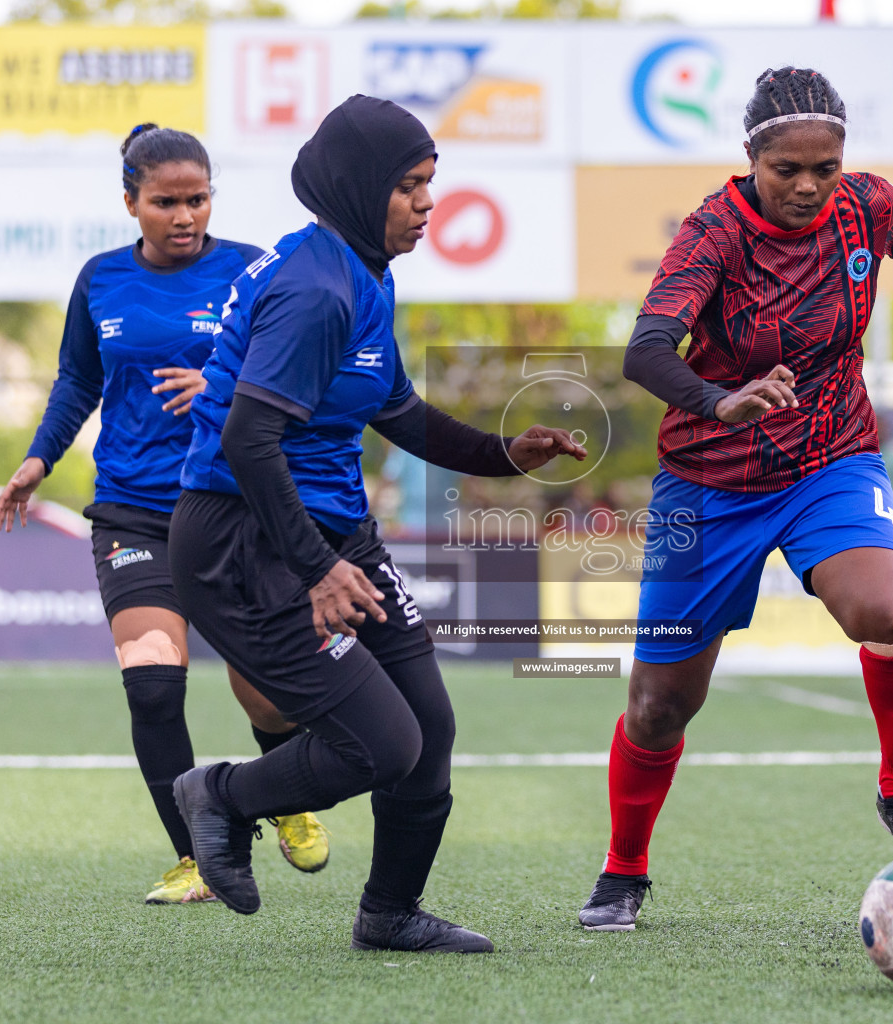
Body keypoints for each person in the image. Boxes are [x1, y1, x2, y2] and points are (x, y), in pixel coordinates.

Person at [576, 66, 893, 932]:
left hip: (831, 460)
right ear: (751, 159)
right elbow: (646, 351)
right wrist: (718, 398)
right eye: (788, 170)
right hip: (707, 482)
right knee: (659, 706)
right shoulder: (711, 233)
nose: (810, 185)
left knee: (892, 611)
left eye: (827, 166)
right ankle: (624, 870)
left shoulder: (868, 205)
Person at [164, 95, 583, 951]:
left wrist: (507, 454)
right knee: (382, 745)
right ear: (361, 188)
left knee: (429, 730)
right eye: (410, 186)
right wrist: (317, 568)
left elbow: (395, 409)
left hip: (329, 533)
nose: (427, 203)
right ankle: (222, 796)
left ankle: (389, 913)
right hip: (248, 538)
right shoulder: (315, 289)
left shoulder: (361, 272)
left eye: (431, 183)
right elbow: (248, 439)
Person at [0, 124, 330, 905]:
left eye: (198, 199)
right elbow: (77, 380)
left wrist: (218, 388)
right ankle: (199, 858)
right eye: (166, 202)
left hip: (229, 505)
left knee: (266, 693)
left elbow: (297, 375)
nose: (185, 216)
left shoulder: (253, 270)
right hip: (132, 510)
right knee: (151, 683)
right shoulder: (101, 279)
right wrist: (39, 459)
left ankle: (286, 793)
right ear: (130, 203)